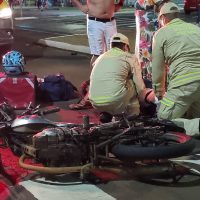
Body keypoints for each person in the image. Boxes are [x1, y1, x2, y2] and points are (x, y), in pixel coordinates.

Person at [147, 2, 200, 136]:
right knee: (192, 115)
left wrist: (159, 93)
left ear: (163, 18)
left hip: (184, 83)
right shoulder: (196, 29)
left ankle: (196, 126)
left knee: (164, 118)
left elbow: (158, 69)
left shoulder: (161, 33)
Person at [89, 33, 146, 117]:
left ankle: (108, 112)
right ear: (126, 46)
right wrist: (143, 99)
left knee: (118, 82)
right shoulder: (129, 57)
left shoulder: (100, 57)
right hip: (115, 100)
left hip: (94, 101)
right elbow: (139, 85)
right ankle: (134, 115)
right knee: (133, 84)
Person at [71, 0, 124, 68]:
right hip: (95, 21)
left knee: (114, 52)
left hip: (111, 22)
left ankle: (110, 76)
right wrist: (81, 6)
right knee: (97, 54)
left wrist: (120, 4)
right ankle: (94, 78)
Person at [134, 0, 166, 80]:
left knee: (150, 46)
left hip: (151, 19)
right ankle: (147, 76)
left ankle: (149, 76)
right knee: (145, 46)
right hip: (146, 19)